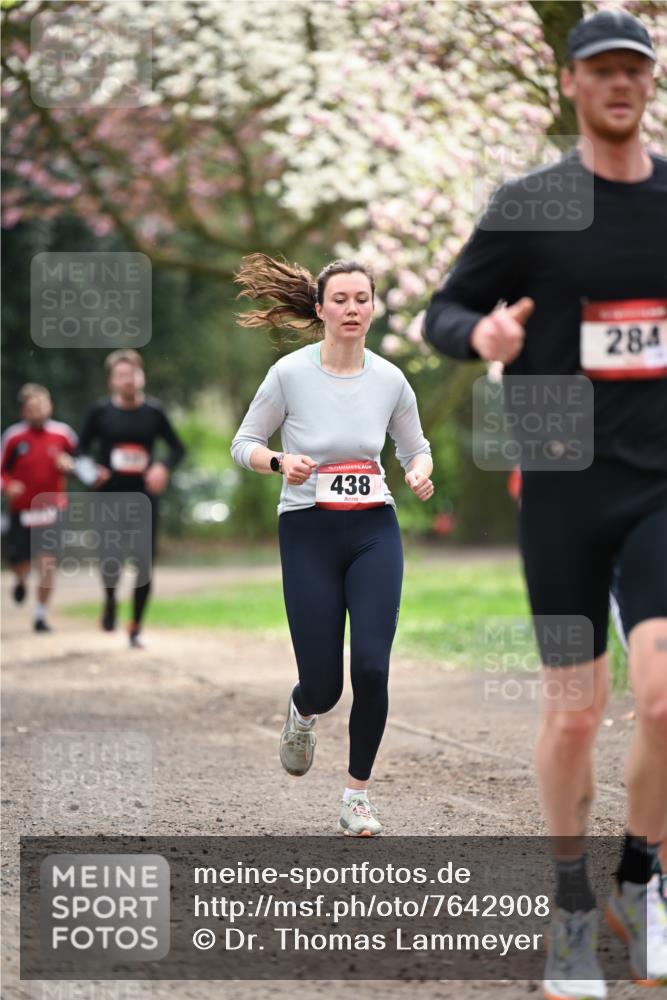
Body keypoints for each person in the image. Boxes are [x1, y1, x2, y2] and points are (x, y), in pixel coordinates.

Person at [424, 10, 666, 997]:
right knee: (576, 710)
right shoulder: (531, 205)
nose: (620, 84)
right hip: (563, 486)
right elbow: (441, 311)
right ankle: (571, 902)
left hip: (661, 481)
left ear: (648, 85)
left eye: (635, 71)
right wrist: (480, 334)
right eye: (601, 69)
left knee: (664, 695)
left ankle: (640, 885)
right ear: (570, 83)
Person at [231, 253, 434, 836]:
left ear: (373, 307)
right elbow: (243, 442)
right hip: (308, 529)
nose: (351, 308)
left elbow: (414, 447)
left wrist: (419, 469)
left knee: (371, 668)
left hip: (374, 529)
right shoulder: (290, 374)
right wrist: (278, 460)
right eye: (340, 299)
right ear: (319, 308)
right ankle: (302, 711)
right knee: (325, 683)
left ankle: (356, 796)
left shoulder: (391, 379)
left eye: (361, 299)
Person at [76, 350, 186, 649]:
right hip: (108, 497)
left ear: (142, 376)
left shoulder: (154, 412)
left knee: (143, 563)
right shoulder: (100, 413)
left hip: (143, 498)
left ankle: (135, 626)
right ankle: (110, 599)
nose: (129, 380)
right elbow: (80, 450)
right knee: (110, 558)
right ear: (112, 381)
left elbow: (177, 447)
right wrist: (90, 471)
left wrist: (162, 467)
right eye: (122, 375)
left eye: (133, 374)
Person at [1, 383, 77, 632]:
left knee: (47, 563)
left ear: (50, 406)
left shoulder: (63, 434)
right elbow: (2, 471)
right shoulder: (13, 437)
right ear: (23, 412)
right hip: (22, 510)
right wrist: (8, 486)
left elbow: (82, 462)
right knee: (21, 562)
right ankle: (21, 579)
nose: (38, 412)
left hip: (52, 507)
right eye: (32, 408)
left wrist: (70, 465)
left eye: (42, 406)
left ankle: (40, 615)